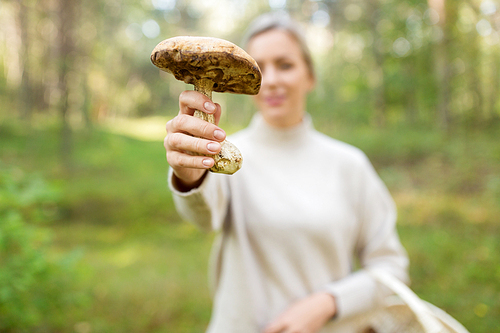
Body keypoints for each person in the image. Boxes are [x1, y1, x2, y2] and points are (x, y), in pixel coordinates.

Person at [164, 11, 409, 333]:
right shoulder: (226, 154)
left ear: (310, 76)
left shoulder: (348, 164)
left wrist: (327, 303)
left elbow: (391, 268)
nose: (273, 79)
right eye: (260, 68)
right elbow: (203, 217)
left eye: (286, 65)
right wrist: (188, 172)